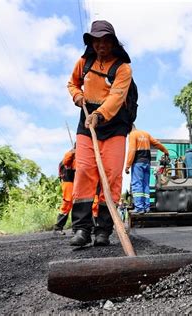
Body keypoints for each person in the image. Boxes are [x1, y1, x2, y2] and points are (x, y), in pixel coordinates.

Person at [67, 20, 133, 246]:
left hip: (114, 123)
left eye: (105, 40)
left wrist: (100, 115)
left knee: (112, 174)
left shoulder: (123, 68)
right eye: (96, 41)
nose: (101, 45)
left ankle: (104, 229)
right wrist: (77, 96)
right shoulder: (84, 63)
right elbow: (72, 84)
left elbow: (116, 98)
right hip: (87, 121)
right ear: (91, 42)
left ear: (113, 42)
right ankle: (82, 229)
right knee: (85, 169)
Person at [124, 126, 169, 213]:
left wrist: (128, 165)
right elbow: (156, 143)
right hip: (147, 163)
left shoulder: (133, 135)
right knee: (145, 185)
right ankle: (146, 207)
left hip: (138, 163)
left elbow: (132, 150)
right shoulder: (146, 134)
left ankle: (139, 208)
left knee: (137, 184)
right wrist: (165, 150)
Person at [53, 147, 76, 235]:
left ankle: (76, 229)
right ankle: (58, 228)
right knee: (67, 204)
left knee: (77, 205)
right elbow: (66, 161)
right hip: (68, 182)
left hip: (76, 183)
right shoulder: (69, 155)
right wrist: (73, 152)